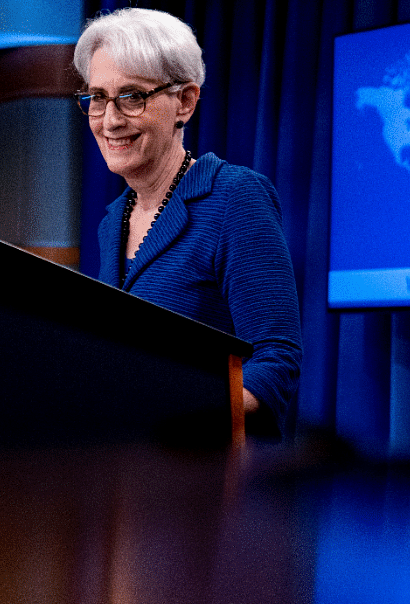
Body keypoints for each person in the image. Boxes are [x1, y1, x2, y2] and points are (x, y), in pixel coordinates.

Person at [73, 8, 303, 440]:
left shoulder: (235, 197)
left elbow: (276, 360)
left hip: (210, 484)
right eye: (98, 97)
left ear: (185, 101)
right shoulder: (112, 222)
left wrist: (179, 413)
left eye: (132, 97)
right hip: (129, 476)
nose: (110, 120)